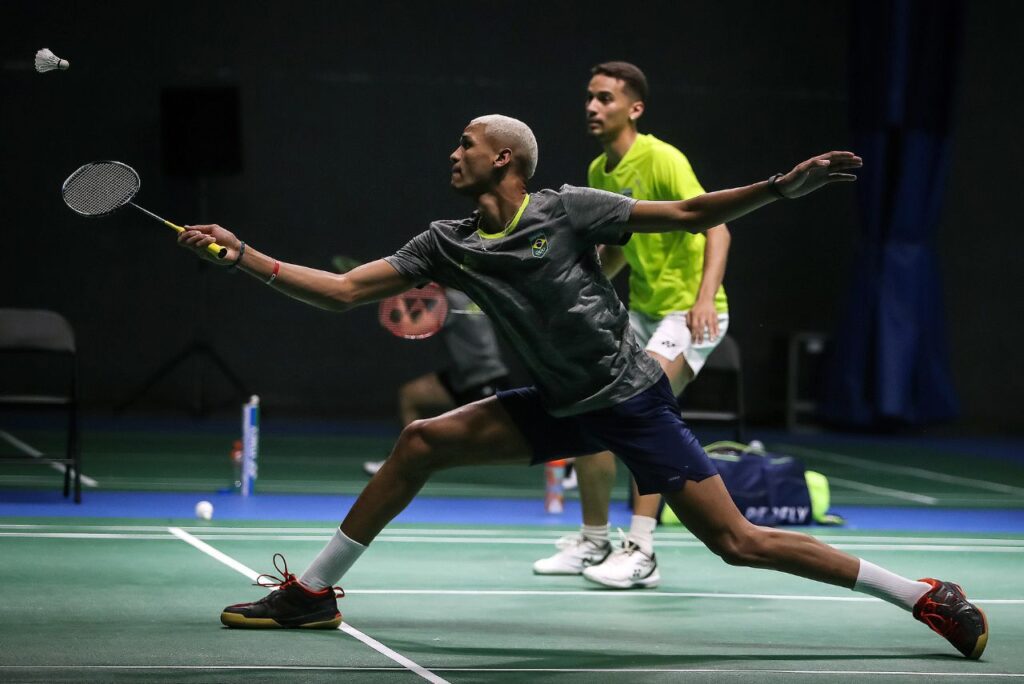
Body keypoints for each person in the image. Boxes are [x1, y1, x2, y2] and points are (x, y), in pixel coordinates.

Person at [179, 115, 986, 659]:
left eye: (466, 143)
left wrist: (781, 186)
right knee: (421, 441)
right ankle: (312, 593)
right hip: (560, 405)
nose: (451, 154)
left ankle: (921, 594)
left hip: (630, 400)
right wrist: (244, 254)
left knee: (738, 543)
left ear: (504, 159)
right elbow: (345, 290)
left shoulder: (569, 210)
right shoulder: (448, 243)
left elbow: (691, 211)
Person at [533, 62, 732, 588]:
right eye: (590, 98)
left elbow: (718, 228)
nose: (592, 107)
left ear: (634, 108)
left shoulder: (662, 158)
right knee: (592, 406)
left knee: (645, 413)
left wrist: (705, 299)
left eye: (604, 98)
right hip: (644, 309)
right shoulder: (600, 173)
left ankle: (641, 549)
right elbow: (617, 253)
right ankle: (593, 540)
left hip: (690, 309)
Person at [363, 287, 511, 475]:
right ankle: (405, 460)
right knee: (411, 395)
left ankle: (560, 466)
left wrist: (394, 294)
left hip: (484, 380)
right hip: (460, 378)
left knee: (502, 443)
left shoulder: (450, 300)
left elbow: (408, 327)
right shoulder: (473, 292)